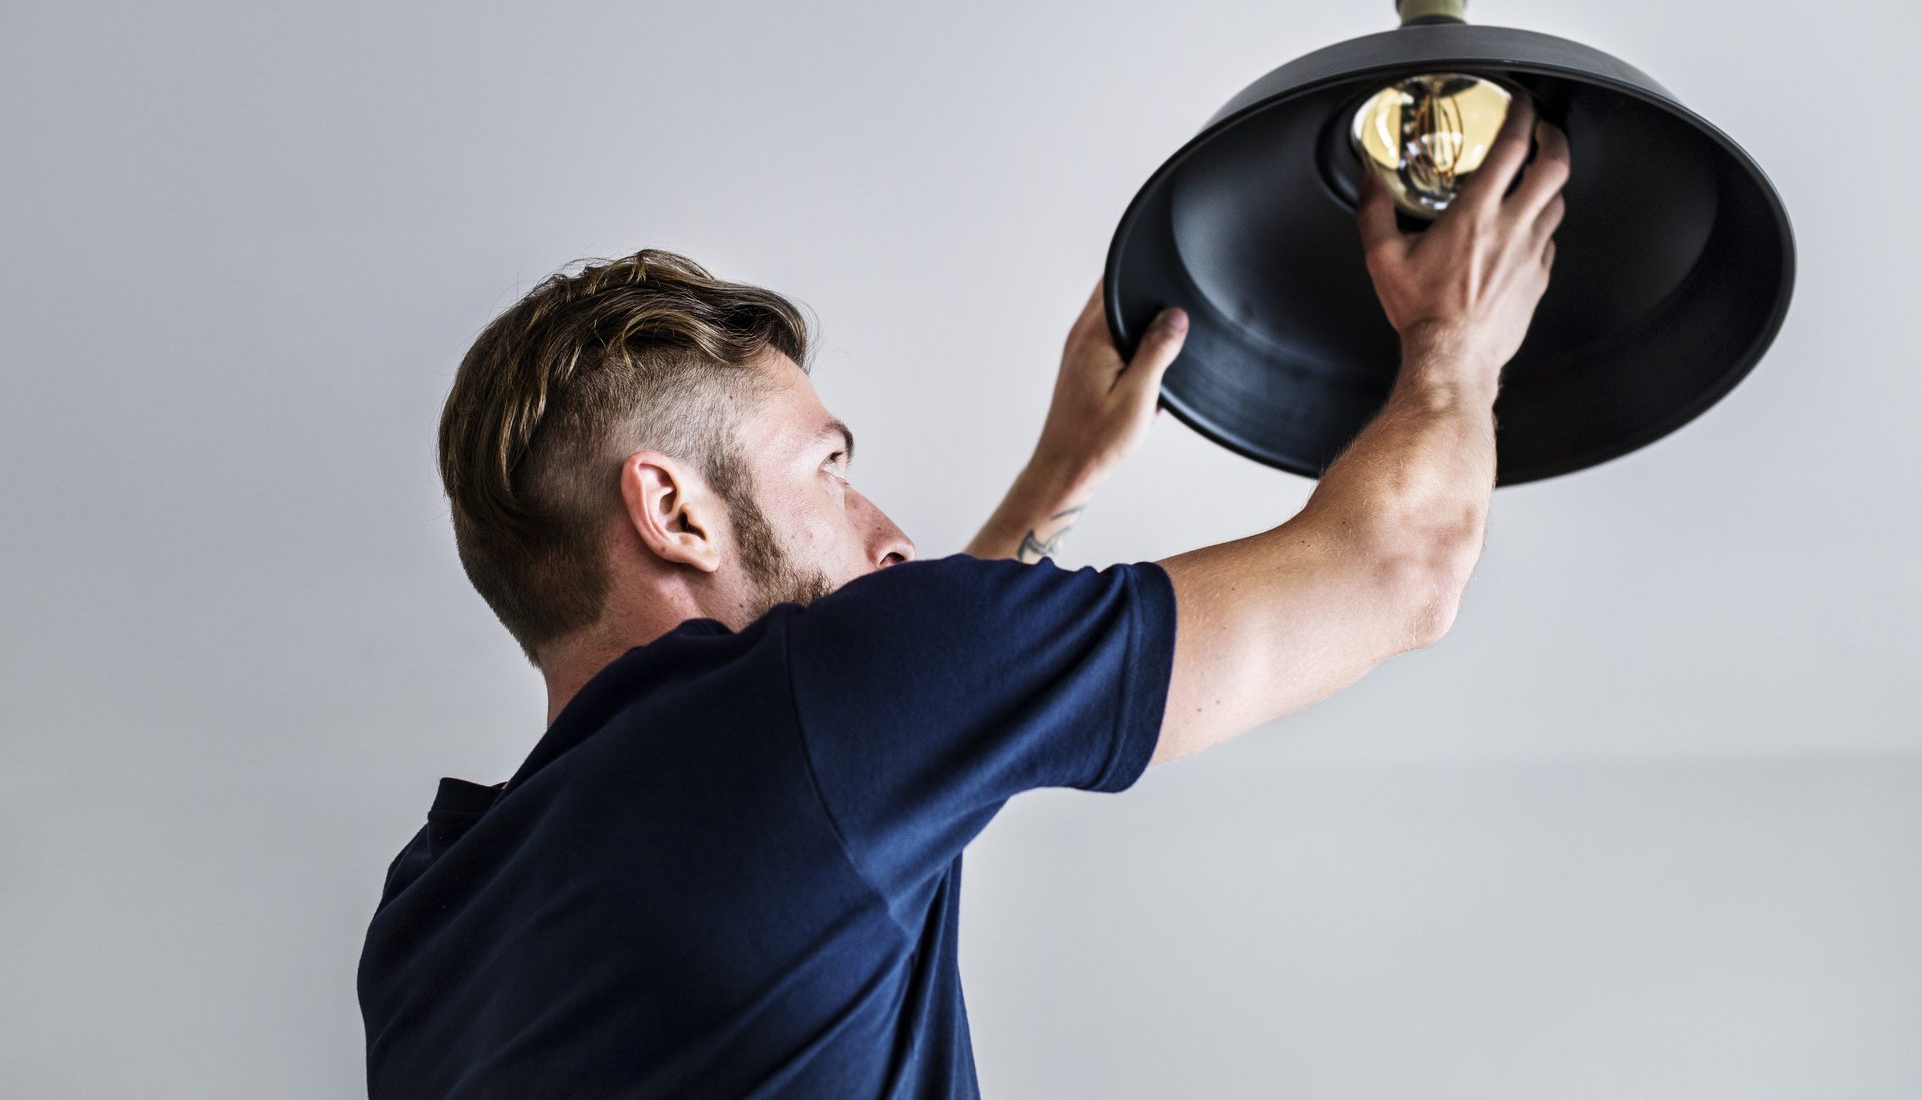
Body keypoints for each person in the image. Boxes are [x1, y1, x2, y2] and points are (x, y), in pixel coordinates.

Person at [356, 88, 1569, 1098]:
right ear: (677, 511)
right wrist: (1455, 339)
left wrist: (1059, 474)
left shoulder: (428, 928)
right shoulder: (811, 712)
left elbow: (851, 766)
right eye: (833, 470)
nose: (893, 540)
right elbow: (1404, 564)